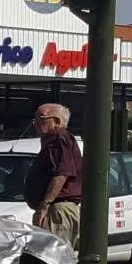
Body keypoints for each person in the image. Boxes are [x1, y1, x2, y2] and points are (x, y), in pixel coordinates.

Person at [24, 103, 83, 250]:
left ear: (57, 122)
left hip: (57, 210)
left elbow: (62, 173)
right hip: (55, 209)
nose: (36, 125)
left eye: (41, 119)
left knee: (51, 258)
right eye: (35, 120)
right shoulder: (55, 139)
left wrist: (44, 205)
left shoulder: (58, 137)